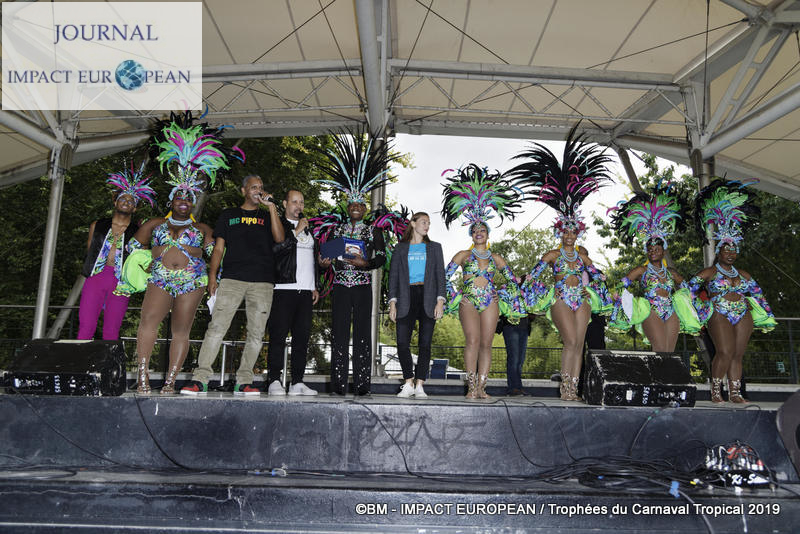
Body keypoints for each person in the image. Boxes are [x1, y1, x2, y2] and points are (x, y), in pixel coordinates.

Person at [128, 110, 244, 394]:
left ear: (193, 203)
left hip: (192, 282)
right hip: (159, 278)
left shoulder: (204, 228)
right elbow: (132, 247)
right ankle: (142, 378)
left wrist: (217, 277)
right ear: (172, 199)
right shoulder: (155, 223)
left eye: (189, 197)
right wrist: (139, 264)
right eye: (179, 196)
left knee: (181, 331)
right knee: (148, 323)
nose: (184, 200)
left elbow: (215, 253)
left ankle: (170, 381)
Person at [506, 125, 613, 401]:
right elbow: (533, 276)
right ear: (559, 231)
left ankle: (571, 389)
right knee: (570, 341)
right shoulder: (552, 255)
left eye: (573, 230)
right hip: (562, 300)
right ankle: (566, 387)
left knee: (580, 345)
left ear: (578, 232)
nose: (569, 234)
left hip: (582, 300)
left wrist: (607, 290)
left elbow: (598, 277)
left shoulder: (584, 257)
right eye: (565, 230)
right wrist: (525, 294)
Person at [313, 129, 400, 397]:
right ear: (347, 204)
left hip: (363, 288)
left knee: (363, 335)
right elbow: (323, 260)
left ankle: (362, 386)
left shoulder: (373, 231)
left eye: (359, 204)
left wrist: (366, 264)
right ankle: (338, 386)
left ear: (364, 207)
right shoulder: (337, 230)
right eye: (351, 203)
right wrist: (324, 264)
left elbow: (384, 258)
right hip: (340, 287)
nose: (355, 207)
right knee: (339, 334)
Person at [180, 175, 284, 396]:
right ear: (243, 190)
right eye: (254, 187)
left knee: (256, 333)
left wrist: (273, 207)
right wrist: (212, 276)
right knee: (216, 328)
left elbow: (279, 237)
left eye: (261, 187)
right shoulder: (229, 215)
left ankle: (244, 381)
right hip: (231, 279)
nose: (259, 190)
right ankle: (200, 379)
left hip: (263, 282)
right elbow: (218, 248)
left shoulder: (268, 216)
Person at [441, 164, 525, 399]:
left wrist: (502, 293)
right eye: (475, 229)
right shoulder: (463, 255)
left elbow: (511, 280)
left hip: (490, 301)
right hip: (469, 301)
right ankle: (470, 387)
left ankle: (481, 387)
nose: (479, 231)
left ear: (488, 234)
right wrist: (457, 293)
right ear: (471, 234)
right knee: (472, 341)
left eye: (483, 229)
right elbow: (444, 277)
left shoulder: (496, 257)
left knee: (487, 344)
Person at [688, 179, 776, 403]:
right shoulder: (709, 272)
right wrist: (701, 310)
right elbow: (687, 291)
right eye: (727, 249)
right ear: (719, 251)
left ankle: (735, 392)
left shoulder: (744, 275)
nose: (731, 253)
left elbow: (758, 293)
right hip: (718, 313)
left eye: (734, 250)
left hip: (742, 313)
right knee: (724, 352)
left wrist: (767, 314)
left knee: (737, 354)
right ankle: (716, 391)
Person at [608, 184, 703, 351]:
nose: (652, 252)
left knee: (669, 351)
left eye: (656, 249)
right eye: (649, 249)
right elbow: (622, 283)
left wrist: (693, 297)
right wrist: (617, 294)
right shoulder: (641, 271)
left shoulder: (671, 273)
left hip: (671, 310)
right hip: (651, 310)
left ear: (663, 250)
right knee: (659, 349)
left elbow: (687, 287)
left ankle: (665, 378)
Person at [78, 163, 154, 340]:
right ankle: (79, 365)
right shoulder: (97, 225)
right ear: (115, 201)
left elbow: (143, 259)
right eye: (123, 199)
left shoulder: (138, 230)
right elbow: (90, 250)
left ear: (134, 208)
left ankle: (107, 367)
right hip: (96, 277)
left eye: (131, 201)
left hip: (121, 282)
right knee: (86, 325)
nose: (126, 202)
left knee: (112, 329)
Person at [265, 189, 319, 396]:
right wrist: (296, 232)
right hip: (283, 288)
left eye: (302, 202)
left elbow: (310, 260)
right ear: (285, 203)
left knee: (302, 338)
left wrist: (315, 285)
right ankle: (274, 380)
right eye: (295, 201)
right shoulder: (278, 225)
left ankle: (297, 381)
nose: (299, 206)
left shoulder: (309, 229)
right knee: (278, 336)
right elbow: (275, 252)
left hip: (305, 291)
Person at [388, 211, 446, 399]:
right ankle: (408, 382)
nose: (426, 226)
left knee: (425, 343)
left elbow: (440, 277)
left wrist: (440, 301)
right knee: (402, 342)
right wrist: (392, 303)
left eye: (428, 223)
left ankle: (420, 384)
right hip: (406, 296)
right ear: (413, 224)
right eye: (423, 222)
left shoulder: (435, 248)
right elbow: (393, 278)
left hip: (428, 297)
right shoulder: (400, 248)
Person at [497, 314, 530, 396]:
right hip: (510, 326)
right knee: (514, 358)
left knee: (520, 360)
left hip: (524, 327)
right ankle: (513, 388)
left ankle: (518, 387)